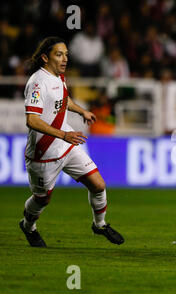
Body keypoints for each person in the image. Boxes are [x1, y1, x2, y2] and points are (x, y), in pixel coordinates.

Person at [19, 37, 124, 247]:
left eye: (66, 54)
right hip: (43, 153)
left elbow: (63, 100)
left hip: (65, 145)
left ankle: (99, 225)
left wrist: (82, 111)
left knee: (98, 184)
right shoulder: (38, 83)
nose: (65, 58)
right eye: (59, 54)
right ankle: (28, 225)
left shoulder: (59, 76)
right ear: (45, 57)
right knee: (42, 199)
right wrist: (63, 134)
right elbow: (32, 120)